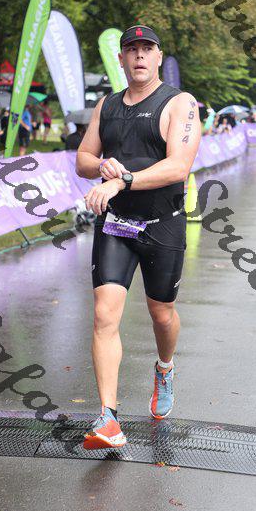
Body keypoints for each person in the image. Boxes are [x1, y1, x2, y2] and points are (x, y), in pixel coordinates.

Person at [76, 25, 201, 449]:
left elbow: (178, 166)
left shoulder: (179, 103)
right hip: (116, 223)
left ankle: (164, 367)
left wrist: (123, 179)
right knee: (103, 314)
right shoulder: (108, 106)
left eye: (148, 48)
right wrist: (102, 167)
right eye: (132, 49)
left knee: (161, 313)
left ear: (159, 56)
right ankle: (108, 418)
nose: (140, 56)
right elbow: (82, 158)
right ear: (122, 58)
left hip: (161, 222)